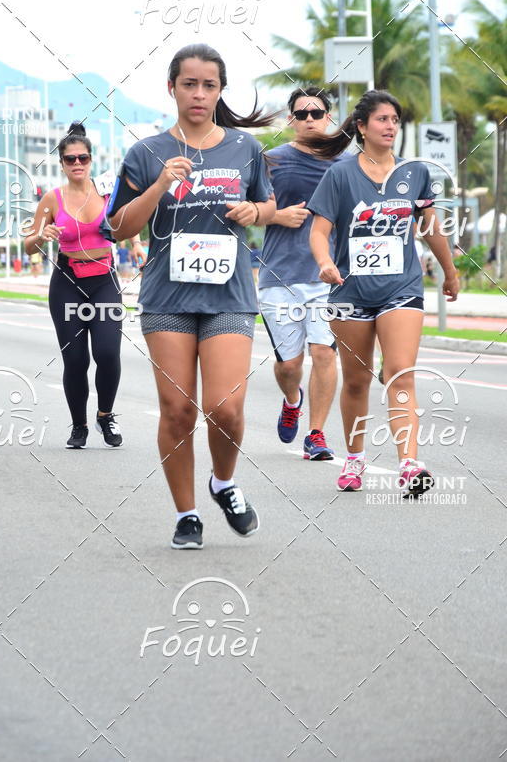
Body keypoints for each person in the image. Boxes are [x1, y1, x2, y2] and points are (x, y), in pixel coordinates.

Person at [108, 43, 276, 550]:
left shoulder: (245, 149)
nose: (199, 94)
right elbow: (116, 227)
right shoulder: (146, 152)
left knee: (225, 408)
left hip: (229, 293)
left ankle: (223, 482)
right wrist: (159, 184)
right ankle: (186, 515)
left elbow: (268, 204)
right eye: (189, 84)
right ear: (172, 88)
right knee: (178, 410)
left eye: (209, 85)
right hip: (167, 297)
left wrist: (256, 214)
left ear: (220, 90)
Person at [308, 90, 459, 496]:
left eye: (395, 120)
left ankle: (409, 463)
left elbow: (430, 227)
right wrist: (325, 262)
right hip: (349, 291)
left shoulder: (414, 173)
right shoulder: (340, 175)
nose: (391, 126)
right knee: (356, 381)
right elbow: (319, 231)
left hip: (402, 288)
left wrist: (449, 270)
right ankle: (354, 457)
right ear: (361, 126)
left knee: (399, 372)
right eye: (382, 119)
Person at [25, 122, 138, 450]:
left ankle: (105, 414)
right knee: (75, 360)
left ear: (91, 160)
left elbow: (126, 225)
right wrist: (41, 236)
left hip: (104, 280)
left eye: (83, 158)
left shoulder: (107, 191)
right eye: (70, 159)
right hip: (67, 283)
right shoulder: (52, 199)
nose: (77, 164)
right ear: (61, 163)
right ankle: (79, 426)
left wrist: (134, 242)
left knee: (107, 352)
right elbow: (29, 244)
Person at [259, 86, 342, 461]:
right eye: (302, 114)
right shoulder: (271, 161)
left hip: (329, 278)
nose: (310, 119)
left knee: (324, 352)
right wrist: (276, 215)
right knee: (289, 364)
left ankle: (317, 434)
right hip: (280, 275)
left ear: (329, 117)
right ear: (291, 119)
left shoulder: (346, 164)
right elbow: (240, 206)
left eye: (317, 112)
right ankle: (292, 400)